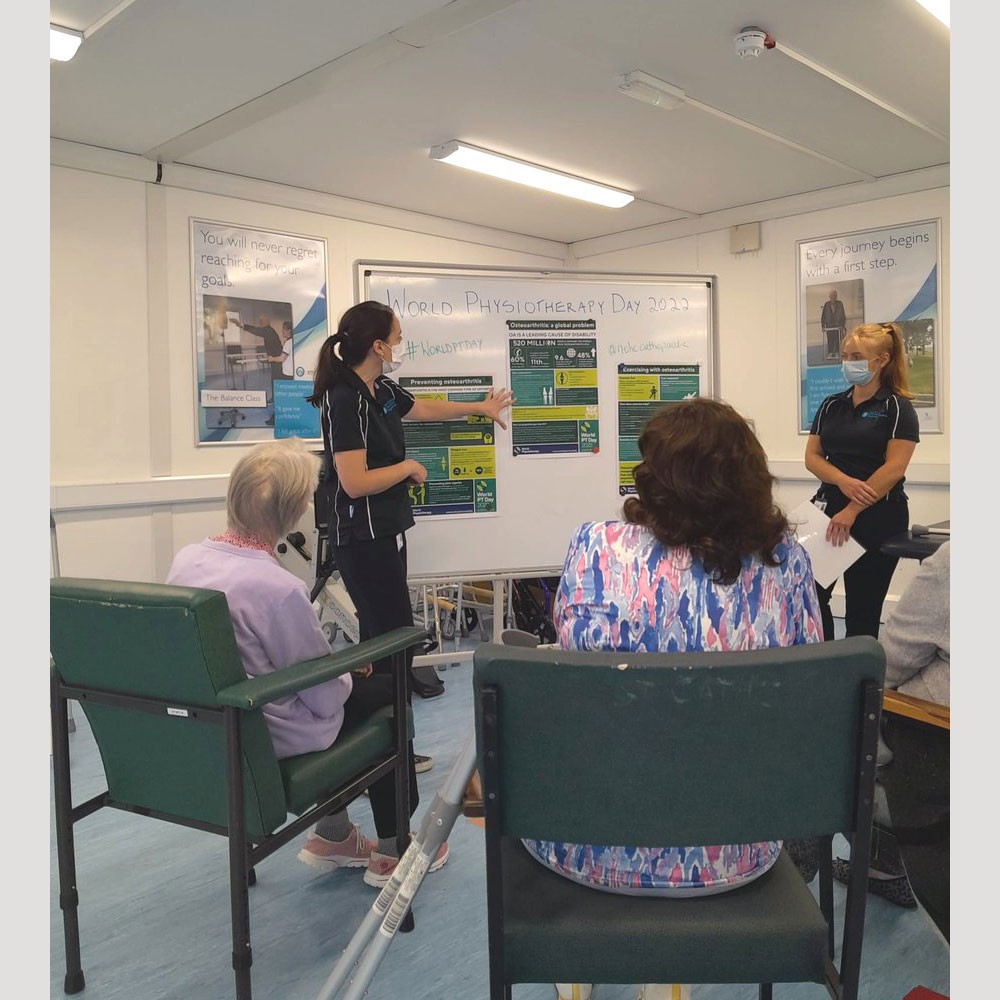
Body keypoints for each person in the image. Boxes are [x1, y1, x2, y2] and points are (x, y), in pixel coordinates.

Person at [522, 398, 823, 1000]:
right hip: (735, 847)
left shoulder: (595, 546)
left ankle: (581, 968)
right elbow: (804, 702)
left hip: (585, 840)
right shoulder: (786, 565)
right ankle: (665, 975)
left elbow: (567, 651)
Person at [165, 438, 448, 887]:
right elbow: (322, 698)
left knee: (360, 679)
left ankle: (334, 835)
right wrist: (343, 670)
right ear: (293, 510)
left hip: (214, 722)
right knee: (390, 695)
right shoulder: (277, 588)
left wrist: (338, 667)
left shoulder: (188, 561)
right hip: (269, 728)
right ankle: (396, 849)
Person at [305, 300, 513, 763]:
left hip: (386, 530)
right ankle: (386, 751)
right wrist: (407, 467)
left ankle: (386, 746)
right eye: (397, 338)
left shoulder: (377, 387)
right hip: (362, 537)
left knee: (388, 639)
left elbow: (420, 409)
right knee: (388, 641)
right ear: (377, 345)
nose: (400, 346)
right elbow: (354, 482)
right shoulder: (345, 399)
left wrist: (478, 407)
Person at [831, 540, 951, 917]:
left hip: (932, 749)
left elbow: (893, 661)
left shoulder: (955, 563)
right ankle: (883, 865)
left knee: (840, 723)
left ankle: (801, 857)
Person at [804, 321, 919, 641]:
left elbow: (894, 468)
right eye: (844, 355)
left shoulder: (897, 407)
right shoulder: (831, 404)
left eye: (856, 356)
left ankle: (859, 687)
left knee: (862, 610)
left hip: (878, 515)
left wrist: (853, 509)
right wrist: (842, 481)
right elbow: (812, 457)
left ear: (882, 360)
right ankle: (822, 668)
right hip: (828, 510)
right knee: (809, 596)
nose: (847, 363)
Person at [821, 289, 847, 359]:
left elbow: (843, 315)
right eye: (831, 295)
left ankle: (837, 353)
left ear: (836, 296)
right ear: (829, 296)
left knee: (837, 340)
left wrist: (842, 325)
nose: (833, 297)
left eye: (834, 295)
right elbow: (823, 316)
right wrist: (823, 326)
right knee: (830, 340)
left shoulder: (840, 303)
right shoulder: (826, 304)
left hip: (838, 326)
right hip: (829, 326)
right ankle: (830, 353)